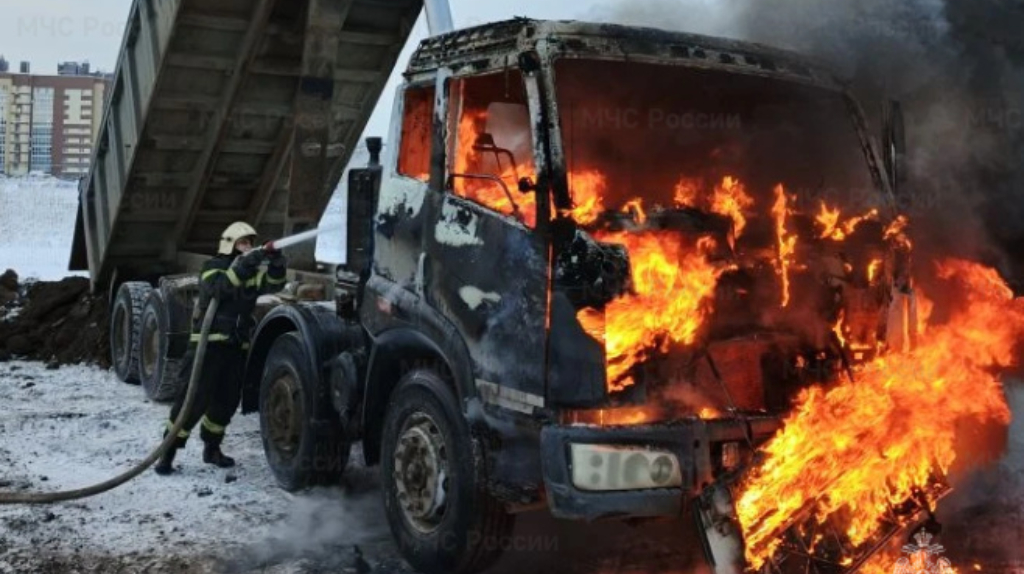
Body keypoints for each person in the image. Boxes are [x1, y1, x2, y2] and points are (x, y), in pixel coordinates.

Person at [155, 221, 288, 475]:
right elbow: (220, 289)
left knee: (226, 402)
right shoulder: (212, 267)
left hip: (236, 347)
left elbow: (273, 284)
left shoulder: (249, 274)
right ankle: (168, 451)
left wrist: (276, 262)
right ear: (229, 244)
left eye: (250, 242)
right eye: (243, 242)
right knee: (191, 401)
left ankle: (212, 448)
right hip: (208, 347)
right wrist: (247, 262)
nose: (248, 247)